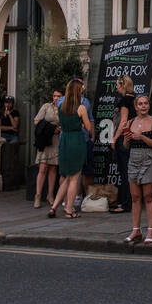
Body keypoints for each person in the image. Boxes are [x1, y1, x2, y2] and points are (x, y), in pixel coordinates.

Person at [49, 79, 92, 219]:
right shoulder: (81, 108)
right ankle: (69, 209)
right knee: (74, 178)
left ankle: (54, 206)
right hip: (76, 141)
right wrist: (83, 125)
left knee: (66, 177)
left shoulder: (61, 107)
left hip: (64, 141)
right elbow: (89, 127)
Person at [123, 94, 152, 244]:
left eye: (145, 103)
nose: (143, 106)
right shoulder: (130, 122)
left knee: (148, 197)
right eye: (140, 104)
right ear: (135, 106)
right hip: (133, 159)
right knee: (135, 197)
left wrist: (142, 137)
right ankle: (136, 230)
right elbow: (126, 147)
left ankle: (151, 230)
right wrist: (127, 140)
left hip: (149, 159)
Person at [109, 76, 136, 215]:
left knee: (124, 172)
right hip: (133, 138)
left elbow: (123, 121)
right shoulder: (135, 99)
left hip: (123, 139)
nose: (116, 88)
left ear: (123, 85)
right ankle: (130, 201)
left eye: (117, 85)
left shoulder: (125, 100)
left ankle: (126, 203)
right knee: (129, 171)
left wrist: (114, 138)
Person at [32, 90, 62, 209]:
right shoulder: (46, 106)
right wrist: (50, 128)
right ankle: (38, 195)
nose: (56, 98)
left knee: (53, 168)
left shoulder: (63, 108)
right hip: (46, 139)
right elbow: (36, 121)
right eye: (54, 96)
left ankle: (50, 195)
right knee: (43, 167)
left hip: (56, 140)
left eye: (59, 96)